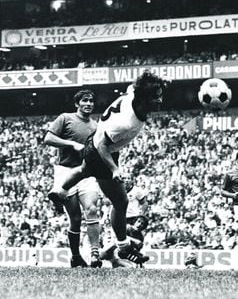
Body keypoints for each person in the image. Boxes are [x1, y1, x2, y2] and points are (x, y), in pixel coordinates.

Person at [48, 71, 168, 265]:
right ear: (144, 98)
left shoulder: (132, 95)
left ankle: (61, 191)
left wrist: (157, 83)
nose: (160, 100)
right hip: (100, 151)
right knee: (120, 202)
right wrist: (113, 169)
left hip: (92, 143)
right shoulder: (126, 123)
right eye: (156, 97)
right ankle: (122, 247)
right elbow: (103, 146)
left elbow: (134, 86)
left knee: (84, 171)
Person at [44, 89, 102, 268]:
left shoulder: (95, 125)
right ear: (77, 104)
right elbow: (48, 138)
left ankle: (94, 254)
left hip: (86, 172)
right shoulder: (65, 118)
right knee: (75, 219)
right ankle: (76, 256)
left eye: (91, 101)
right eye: (85, 101)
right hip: (65, 171)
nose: (89, 104)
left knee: (91, 209)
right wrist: (71, 143)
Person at [100, 174, 150, 268]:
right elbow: (105, 201)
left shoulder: (137, 190)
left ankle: (139, 263)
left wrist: (141, 215)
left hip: (133, 219)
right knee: (121, 241)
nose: (126, 180)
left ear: (132, 180)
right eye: (124, 178)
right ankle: (122, 258)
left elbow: (144, 203)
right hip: (120, 218)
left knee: (135, 242)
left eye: (128, 178)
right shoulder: (116, 189)